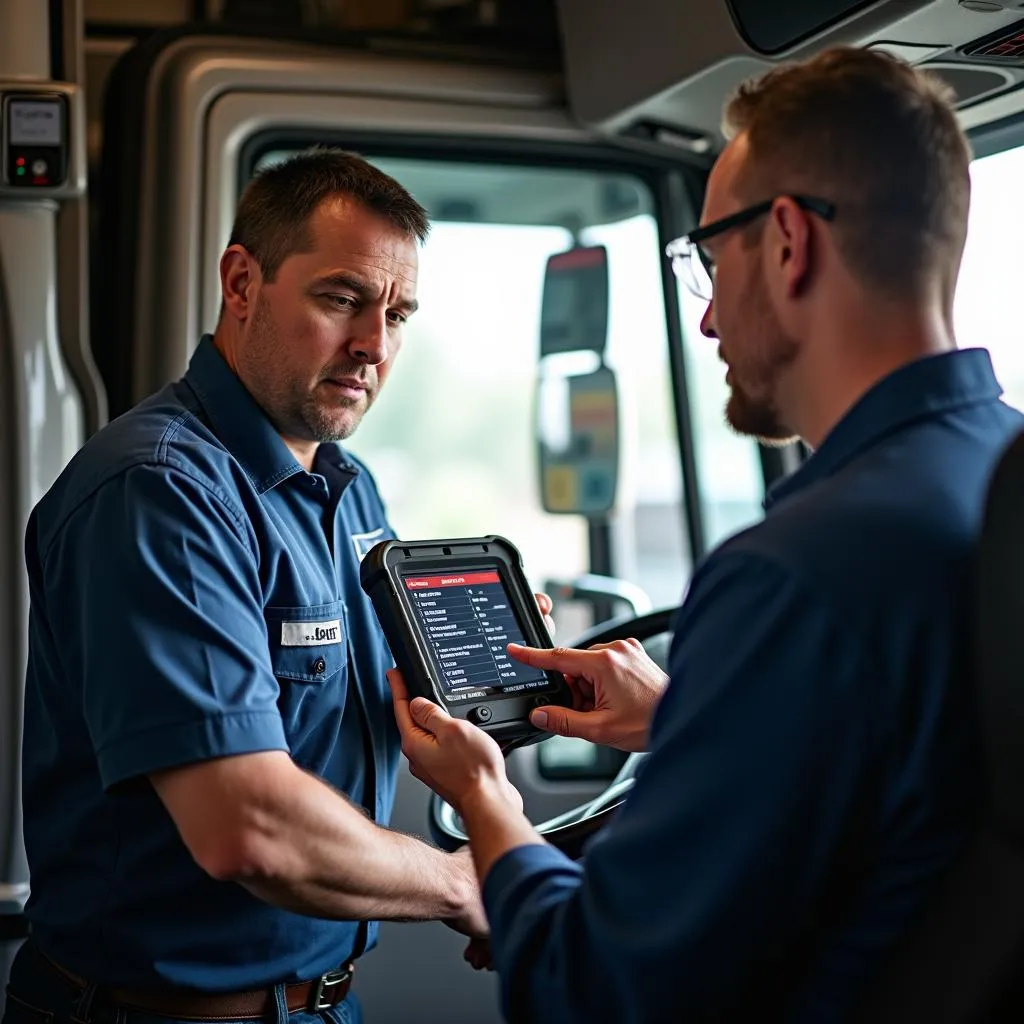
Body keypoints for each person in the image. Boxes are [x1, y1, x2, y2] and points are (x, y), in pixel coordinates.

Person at [390, 46, 1024, 1023]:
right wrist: (692, 717)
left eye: (705, 257)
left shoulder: (798, 573)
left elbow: (594, 989)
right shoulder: (1000, 472)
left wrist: (486, 805)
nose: (709, 319)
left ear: (784, 242)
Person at [4, 148, 540, 1024]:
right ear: (242, 282)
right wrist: (458, 883)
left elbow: (381, 712)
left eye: (398, 314)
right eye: (341, 299)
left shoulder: (347, 485)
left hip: (321, 1006)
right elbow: (245, 824)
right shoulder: (162, 490)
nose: (373, 344)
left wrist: (494, 680)